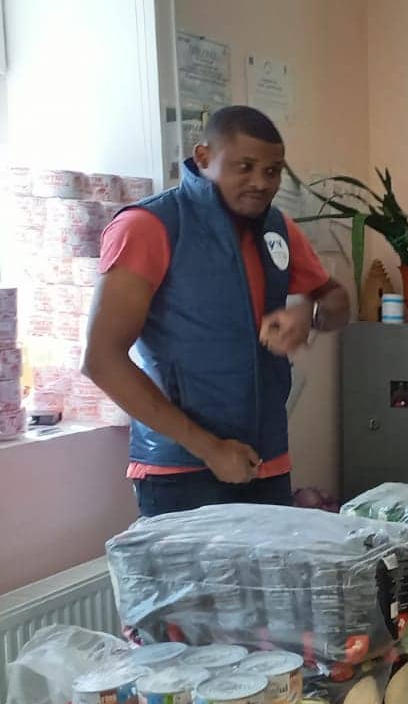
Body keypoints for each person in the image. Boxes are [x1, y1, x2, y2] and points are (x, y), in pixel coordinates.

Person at [84, 105, 350, 517]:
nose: (261, 182)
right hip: (180, 471)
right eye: (245, 167)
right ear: (204, 157)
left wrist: (309, 314)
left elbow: (337, 301)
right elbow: (102, 360)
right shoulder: (149, 226)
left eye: (272, 171)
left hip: (267, 462)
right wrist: (209, 448)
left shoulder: (277, 228)